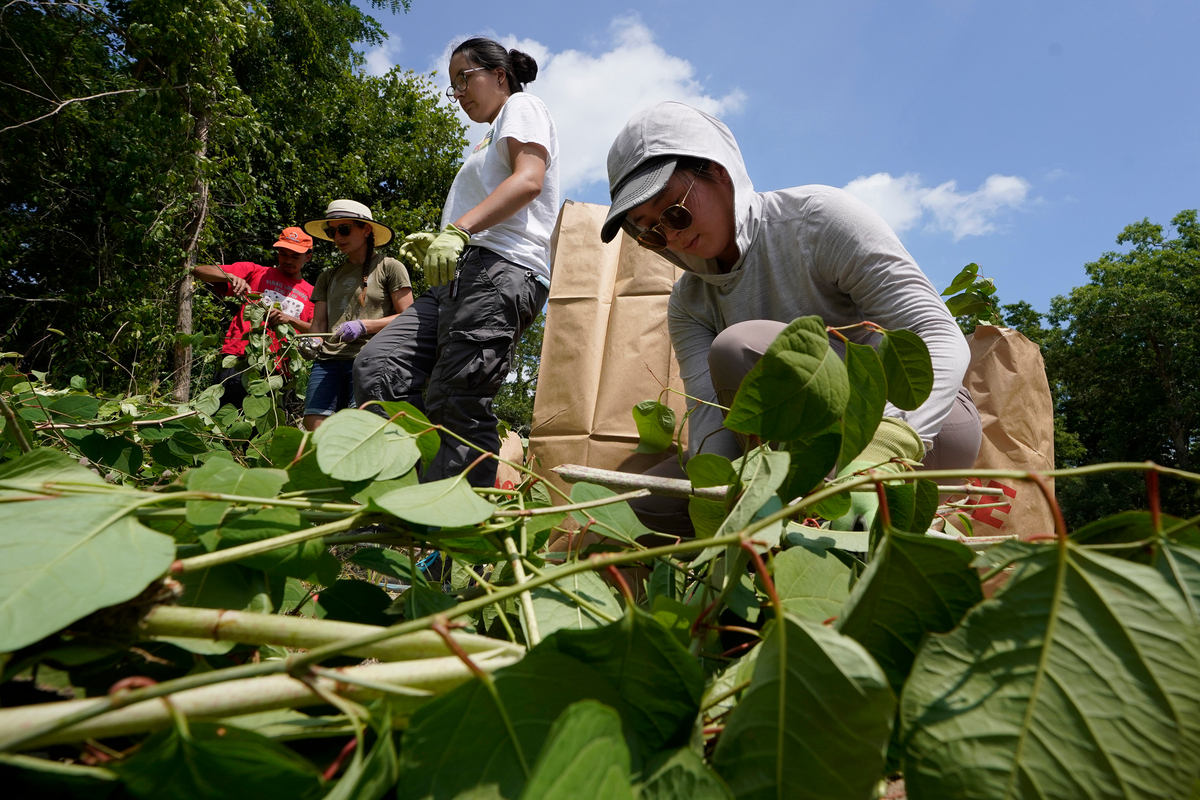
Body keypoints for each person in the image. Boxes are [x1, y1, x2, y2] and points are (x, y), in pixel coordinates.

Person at [600, 102, 983, 535]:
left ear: (718, 171)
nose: (670, 235)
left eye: (674, 212)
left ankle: (844, 504)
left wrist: (884, 447)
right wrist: (718, 518)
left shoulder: (817, 222)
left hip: (922, 429)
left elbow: (938, 334)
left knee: (739, 348)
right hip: (786, 458)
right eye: (648, 230)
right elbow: (713, 427)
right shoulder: (689, 303)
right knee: (624, 512)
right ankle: (796, 521)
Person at [354, 37, 558, 489]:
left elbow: (529, 181)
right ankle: (411, 496)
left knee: (456, 399)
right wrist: (443, 237)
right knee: (379, 366)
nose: (459, 93)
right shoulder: (489, 138)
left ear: (499, 76)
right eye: (453, 86)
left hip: (501, 268)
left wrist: (459, 230)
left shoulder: (523, 107)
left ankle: (454, 543)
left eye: (464, 79)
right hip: (462, 275)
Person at [300, 200, 413, 431]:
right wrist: (313, 341)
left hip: (369, 359)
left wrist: (365, 325)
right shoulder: (327, 276)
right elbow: (319, 323)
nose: (337, 237)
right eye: (332, 231)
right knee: (314, 426)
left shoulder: (389, 267)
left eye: (344, 229)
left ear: (366, 229)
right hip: (327, 361)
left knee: (358, 429)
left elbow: (408, 317)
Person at [192, 227, 316, 409]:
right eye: (283, 254)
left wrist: (289, 319)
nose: (288, 260)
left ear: (308, 257)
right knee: (221, 418)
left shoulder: (312, 293)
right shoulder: (256, 272)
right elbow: (199, 271)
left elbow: (316, 330)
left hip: (276, 369)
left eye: (295, 256)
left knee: (260, 429)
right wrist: (231, 277)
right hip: (239, 357)